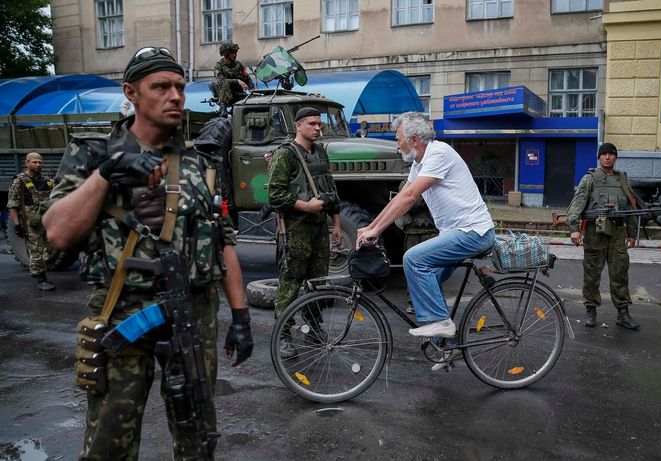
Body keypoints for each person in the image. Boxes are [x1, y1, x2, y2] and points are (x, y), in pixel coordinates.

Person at [42, 46, 253, 460]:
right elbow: (57, 233)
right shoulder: (91, 153)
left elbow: (224, 241)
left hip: (195, 312)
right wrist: (106, 175)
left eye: (179, 86)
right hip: (124, 311)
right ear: (132, 92)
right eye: (161, 86)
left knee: (197, 437)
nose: (175, 95)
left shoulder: (203, 164)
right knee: (110, 442)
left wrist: (241, 316)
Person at [356, 112, 495, 344]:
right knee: (423, 280)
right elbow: (399, 198)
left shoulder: (439, 153)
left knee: (413, 259)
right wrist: (370, 227)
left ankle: (441, 322)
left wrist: (377, 231)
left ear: (414, 140)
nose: (396, 144)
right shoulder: (420, 162)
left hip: (472, 232)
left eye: (398, 138)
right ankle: (447, 345)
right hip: (456, 233)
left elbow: (410, 197)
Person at [267, 107, 342, 358]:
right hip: (295, 228)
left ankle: (312, 327)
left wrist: (337, 224)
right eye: (312, 123)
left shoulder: (320, 152)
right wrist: (305, 206)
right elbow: (275, 194)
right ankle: (283, 334)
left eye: (319, 124)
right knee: (290, 283)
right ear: (298, 126)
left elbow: (329, 188)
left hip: (319, 228)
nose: (318, 128)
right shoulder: (285, 154)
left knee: (317, 282)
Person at [565, 142, 640, 330]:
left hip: (617, 234)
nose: (607, 157)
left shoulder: (623, 179)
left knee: (620, 274)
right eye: (604, 154)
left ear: (615, 157)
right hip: (594, 233)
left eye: (611, 154)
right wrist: (574, 229)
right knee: (591, 274)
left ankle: (623, 312)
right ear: (599, 158)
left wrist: (632, 233)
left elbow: (631, 208)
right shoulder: (590, 179)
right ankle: (591, 310)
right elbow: (576, 205)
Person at [6, 152, 55, 290]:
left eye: (40, 162)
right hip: (31, 223)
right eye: (34, 162)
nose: (38, 164)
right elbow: (12, 204)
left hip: (47, 220)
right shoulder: (19, 181)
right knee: (36, 250)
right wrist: (17, 224)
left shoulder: (47, 181)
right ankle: (40, 278)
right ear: (27, 163)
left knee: (49, 248)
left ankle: (42, 273)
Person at [393, 179, 438, 315]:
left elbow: (412, 202)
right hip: (413, 231)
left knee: (430, 270)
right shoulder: (408, 182)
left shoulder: (428, 180)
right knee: (413, 269)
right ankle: (414, 302)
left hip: (428, 231)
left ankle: (431, 302)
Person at [212, 41, 254, 111]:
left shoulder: (239, 65)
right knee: (225, 84)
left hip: (239, 94)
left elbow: (247, 79)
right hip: (226, 95)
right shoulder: (218, 66)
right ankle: (223, 108)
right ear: (226, 54)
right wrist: (237, 81)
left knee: (255, 99)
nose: (235, 55)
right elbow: (222, 81)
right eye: (232, 53)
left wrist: (253, 90)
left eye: (235, 53)